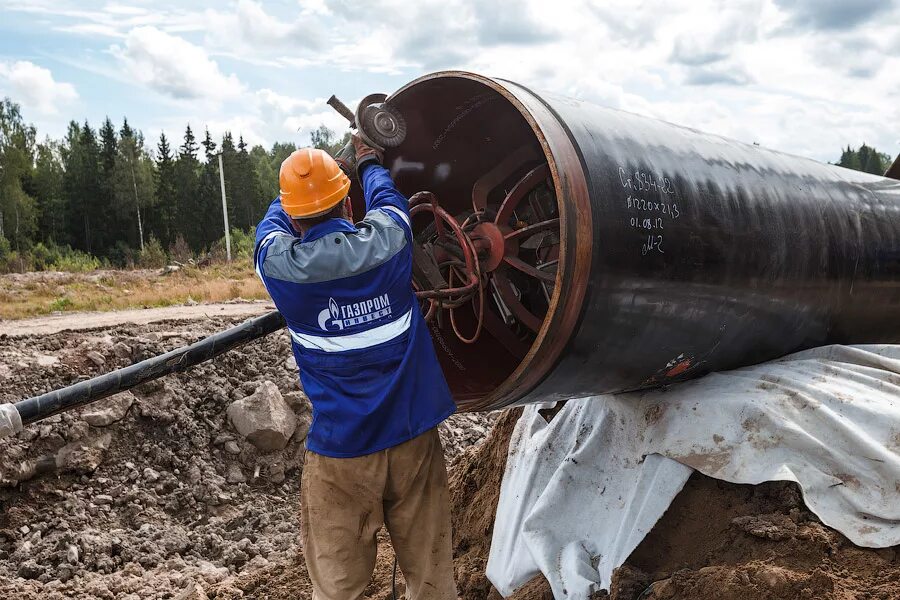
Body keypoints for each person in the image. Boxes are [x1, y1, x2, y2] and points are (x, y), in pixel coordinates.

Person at [253, 136, 458, 600]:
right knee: (432, 582)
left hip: (341, 454)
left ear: (295, 218)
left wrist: (292, 196)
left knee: (337, 590)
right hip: (412, 439)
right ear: (348, 203)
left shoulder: (282, 271)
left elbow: (268, 229)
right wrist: (367, 162)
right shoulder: (389, 244)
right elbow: (391, 203)